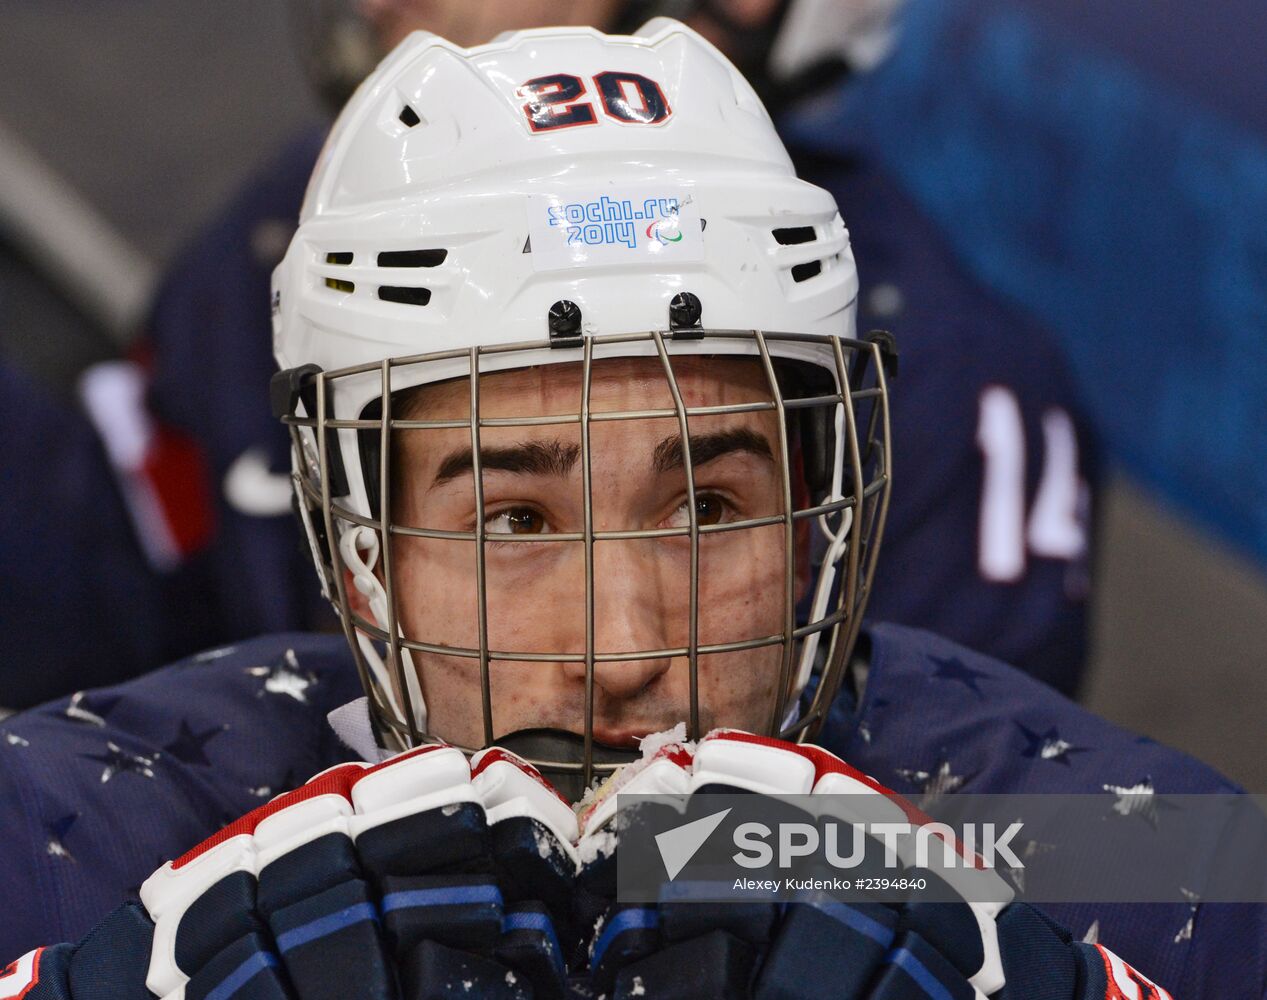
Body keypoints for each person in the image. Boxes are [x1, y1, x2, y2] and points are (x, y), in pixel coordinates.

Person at [0, 21, 1257, 999]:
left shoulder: (1115, 851)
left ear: (820, 507)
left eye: (706, 504)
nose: (625, 649)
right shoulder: (90, 831)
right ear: (360, 544)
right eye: (515, 521)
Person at [128, 0, 1095, 702]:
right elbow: (112, 619)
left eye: (710, 510)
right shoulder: (303, 230)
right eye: (511, 523)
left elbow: (990, 845)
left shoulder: (958, 389)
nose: (377, 3)